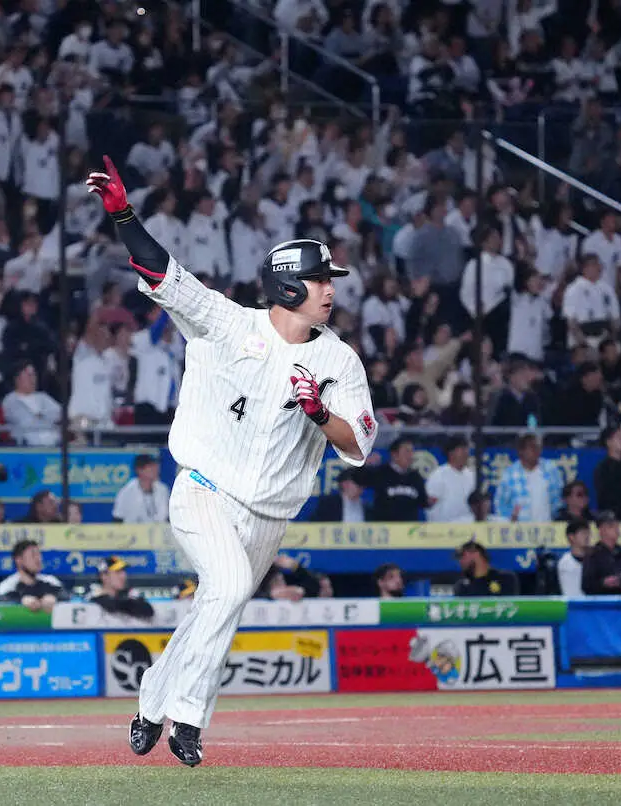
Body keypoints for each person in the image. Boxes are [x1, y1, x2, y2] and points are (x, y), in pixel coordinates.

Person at [88, 156, 377, 766]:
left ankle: (151, 701)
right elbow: (163, 274)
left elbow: (358, 445)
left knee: (215, 604)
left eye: (331, 279)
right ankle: (188, 720)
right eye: (321, 279)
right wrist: (124, 215)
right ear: (290, 285)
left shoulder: (340, 361)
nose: (331, 288)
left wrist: (320, 413)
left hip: (270, 515)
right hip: (204, 489)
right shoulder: (225, 322)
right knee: (230, 587)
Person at [494, 433, 565, 522]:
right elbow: (500, 503)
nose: (536, 450)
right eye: (532, 447)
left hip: (547, 525)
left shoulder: (550, 469)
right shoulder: (510, 473)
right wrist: (510, 517)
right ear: (521, 451)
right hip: (521, 527)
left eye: (538, 447)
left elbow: (559, 498)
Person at [355, 437, 428, 521]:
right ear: (394, 455)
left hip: (410, 527)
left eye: (412, 451)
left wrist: (429, 501)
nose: (410, 455)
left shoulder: (416, 476)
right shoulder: (381, 472)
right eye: (407, 451)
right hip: (385, 526)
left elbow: (423, 502)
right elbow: (358, 479)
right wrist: (364, 464)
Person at [0, 540, 65, 611]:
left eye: (39, 554)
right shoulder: (7, 585)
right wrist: (21, 601)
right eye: (33, 555)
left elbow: (67, 597)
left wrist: (55, 598)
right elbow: (5, 601)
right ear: (19, 560)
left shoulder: (51, 581)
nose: (39, 559)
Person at [424, 437, 477, 522]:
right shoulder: (438, 475)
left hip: (468, 526)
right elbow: (429, 505)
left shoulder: (472, 476)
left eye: (467, 449)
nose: (466, 453)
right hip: (444, 526)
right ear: (451, 453)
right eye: (462, 450)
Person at [581, 512, 621, 595]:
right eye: (611, 526)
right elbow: (586, 586)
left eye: (617, 526)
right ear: (601, 530)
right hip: (602, 600)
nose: (616, 529)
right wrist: (603, 583)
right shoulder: (593, 554)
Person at [86, 555, 155, 619]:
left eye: (123, 571)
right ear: (104, 576)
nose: (123, 576)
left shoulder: (130, 593)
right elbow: (110, 606)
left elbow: (148, 611)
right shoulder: (91, 597)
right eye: (118, 572)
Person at [111, 454, 170, 523]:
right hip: (133, 529)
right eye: (151, 466)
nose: (156, 469)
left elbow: (168, 517)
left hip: (159, 529)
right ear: (139, 470)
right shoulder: (127, 492)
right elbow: (117, 519)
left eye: (156, 465)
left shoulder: (163, 490)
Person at [453, 540, 520, 597]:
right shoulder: (461, 586)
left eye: (462, 555)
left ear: (476, 554)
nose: (460, 561)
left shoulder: (506, 578)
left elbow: (511, 604)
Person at [556, 520, 590, 598]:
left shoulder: (594, 559)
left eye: (588, 533)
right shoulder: (565, 562)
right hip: (572, 603)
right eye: (583, 533)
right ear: (571, 537)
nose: (587, 536)